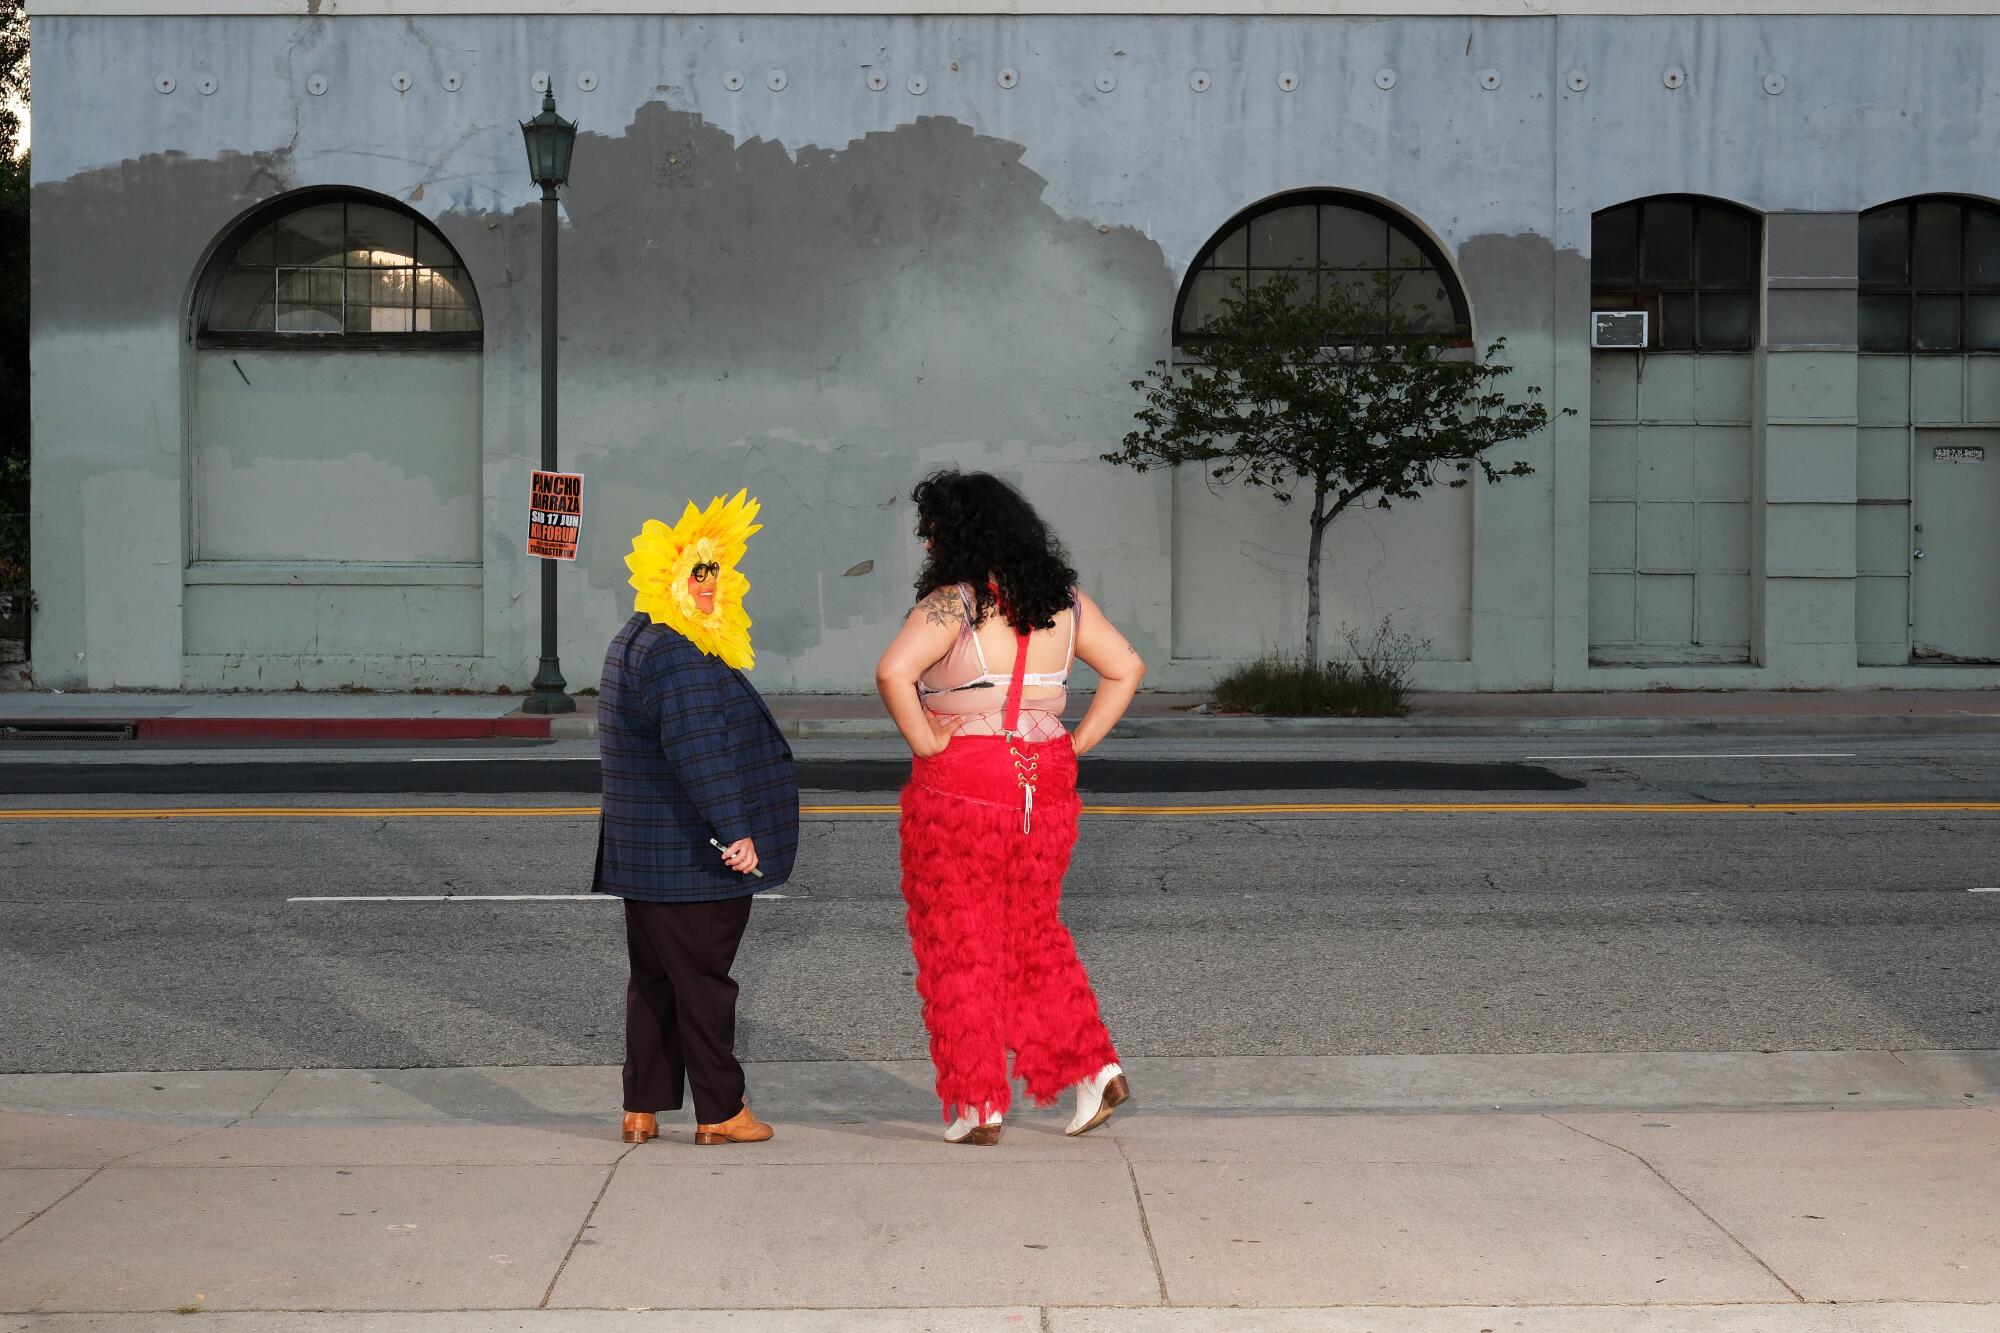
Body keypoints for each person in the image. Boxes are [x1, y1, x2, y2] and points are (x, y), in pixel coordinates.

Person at [874, 470, 1147, 1145]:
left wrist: (925, 739)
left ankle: (979, 1104)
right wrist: (1076, 740)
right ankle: (1094, 1067)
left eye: (931, 527)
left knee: (959, 938)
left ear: (957, 531)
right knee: (1032, 933)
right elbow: (1127, 667)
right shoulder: (1064, 600)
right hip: (1045, 777)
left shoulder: (953, 604)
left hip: (963, 781)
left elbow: (892, 671)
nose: (926, 538)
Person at [593, 490, 797, 1147]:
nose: (709, 586)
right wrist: (736, 830)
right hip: (689, 855)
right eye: (695, 573)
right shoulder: (678, 650)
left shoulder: (637, 635)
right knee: (705, 985)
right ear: (666, 576)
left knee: (654, 981)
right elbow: (699, 749)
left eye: (716, 571)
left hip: (646, 852)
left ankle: (642, 1105)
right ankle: (720, 1108)